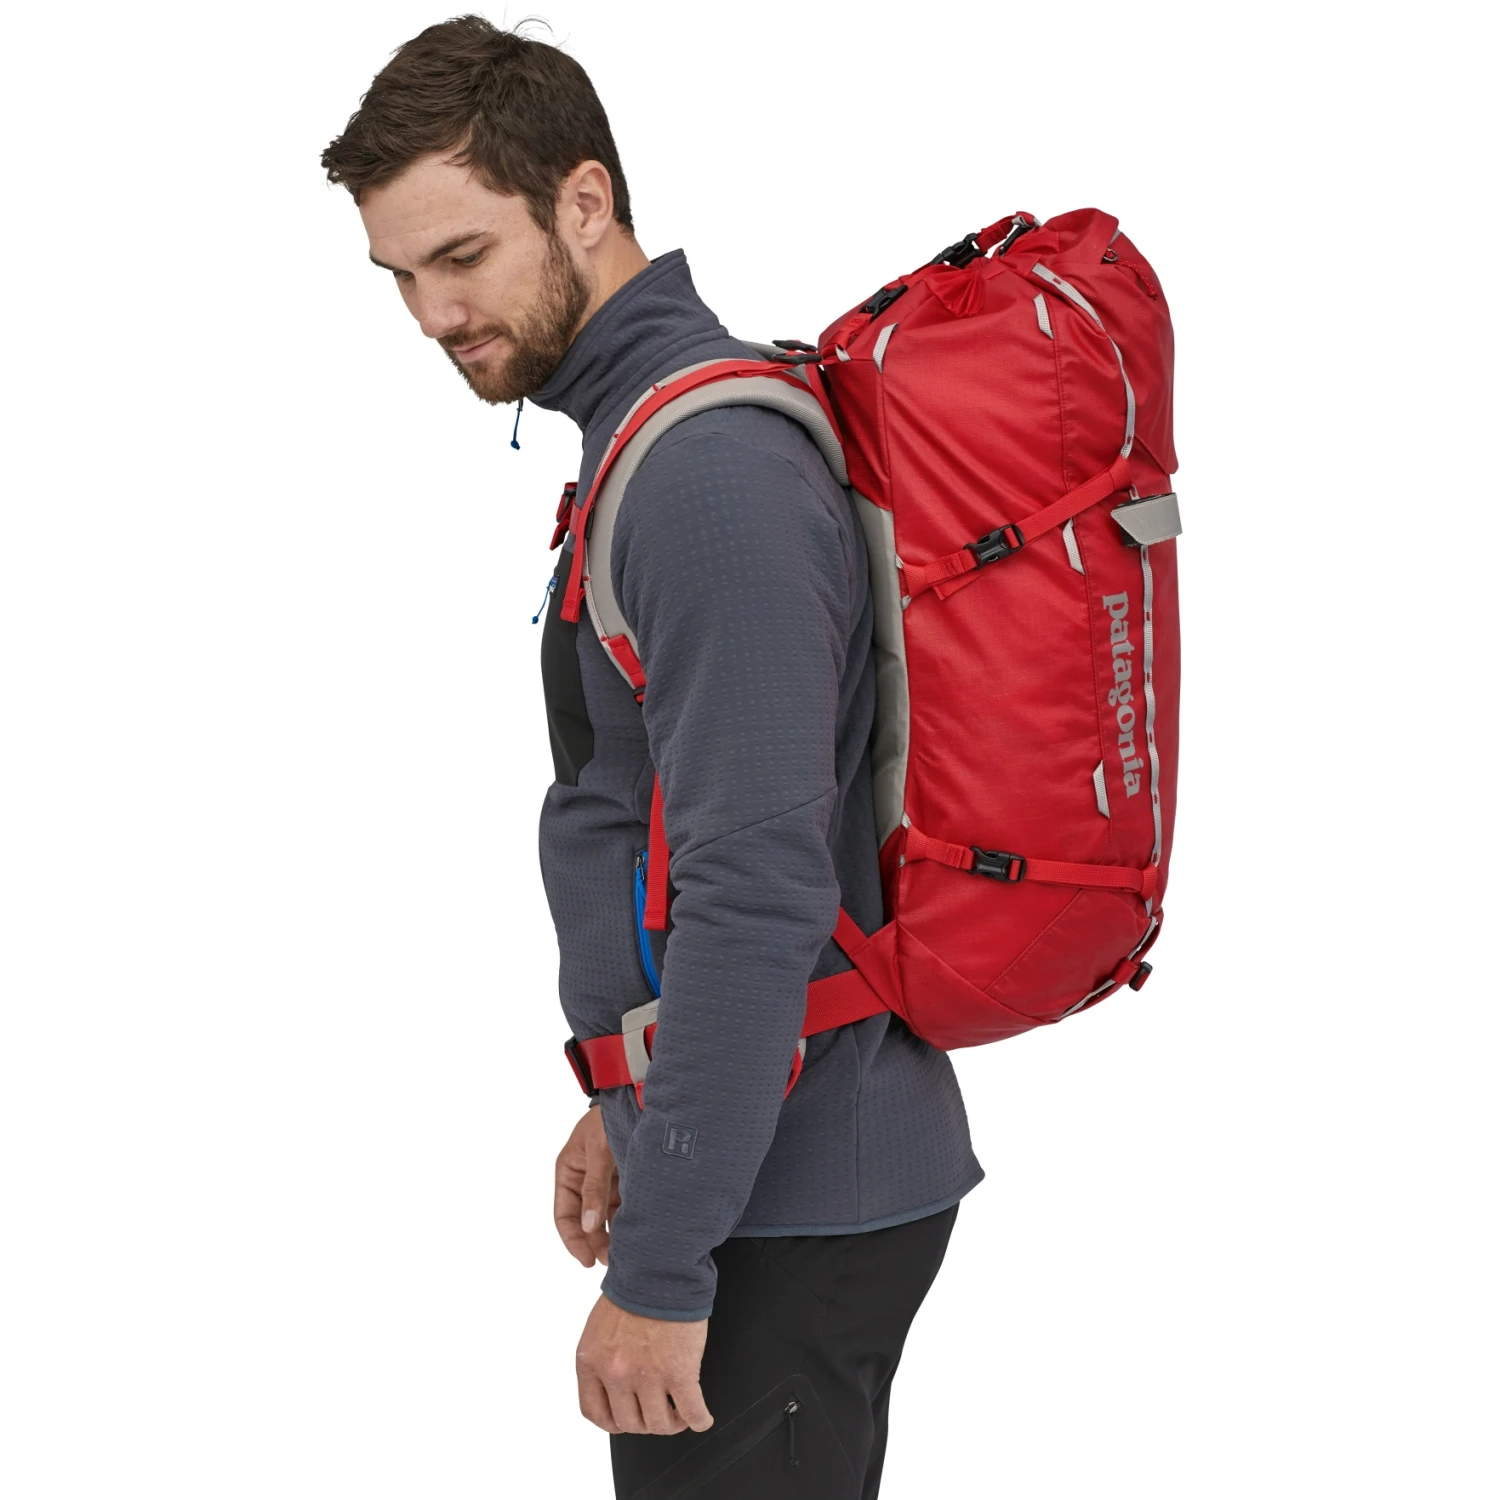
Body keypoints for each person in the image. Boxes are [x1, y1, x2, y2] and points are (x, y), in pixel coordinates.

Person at [322, 17, 982, 1496]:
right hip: (763, 1154)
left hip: (787, 1205)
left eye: (462, 257)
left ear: (584, 201)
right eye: (400, 277)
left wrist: (668, 1264)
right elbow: (664, 828)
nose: (433, 314)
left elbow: (757, 892)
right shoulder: (644, 430)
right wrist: (634, 1098)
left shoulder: (706, 475)